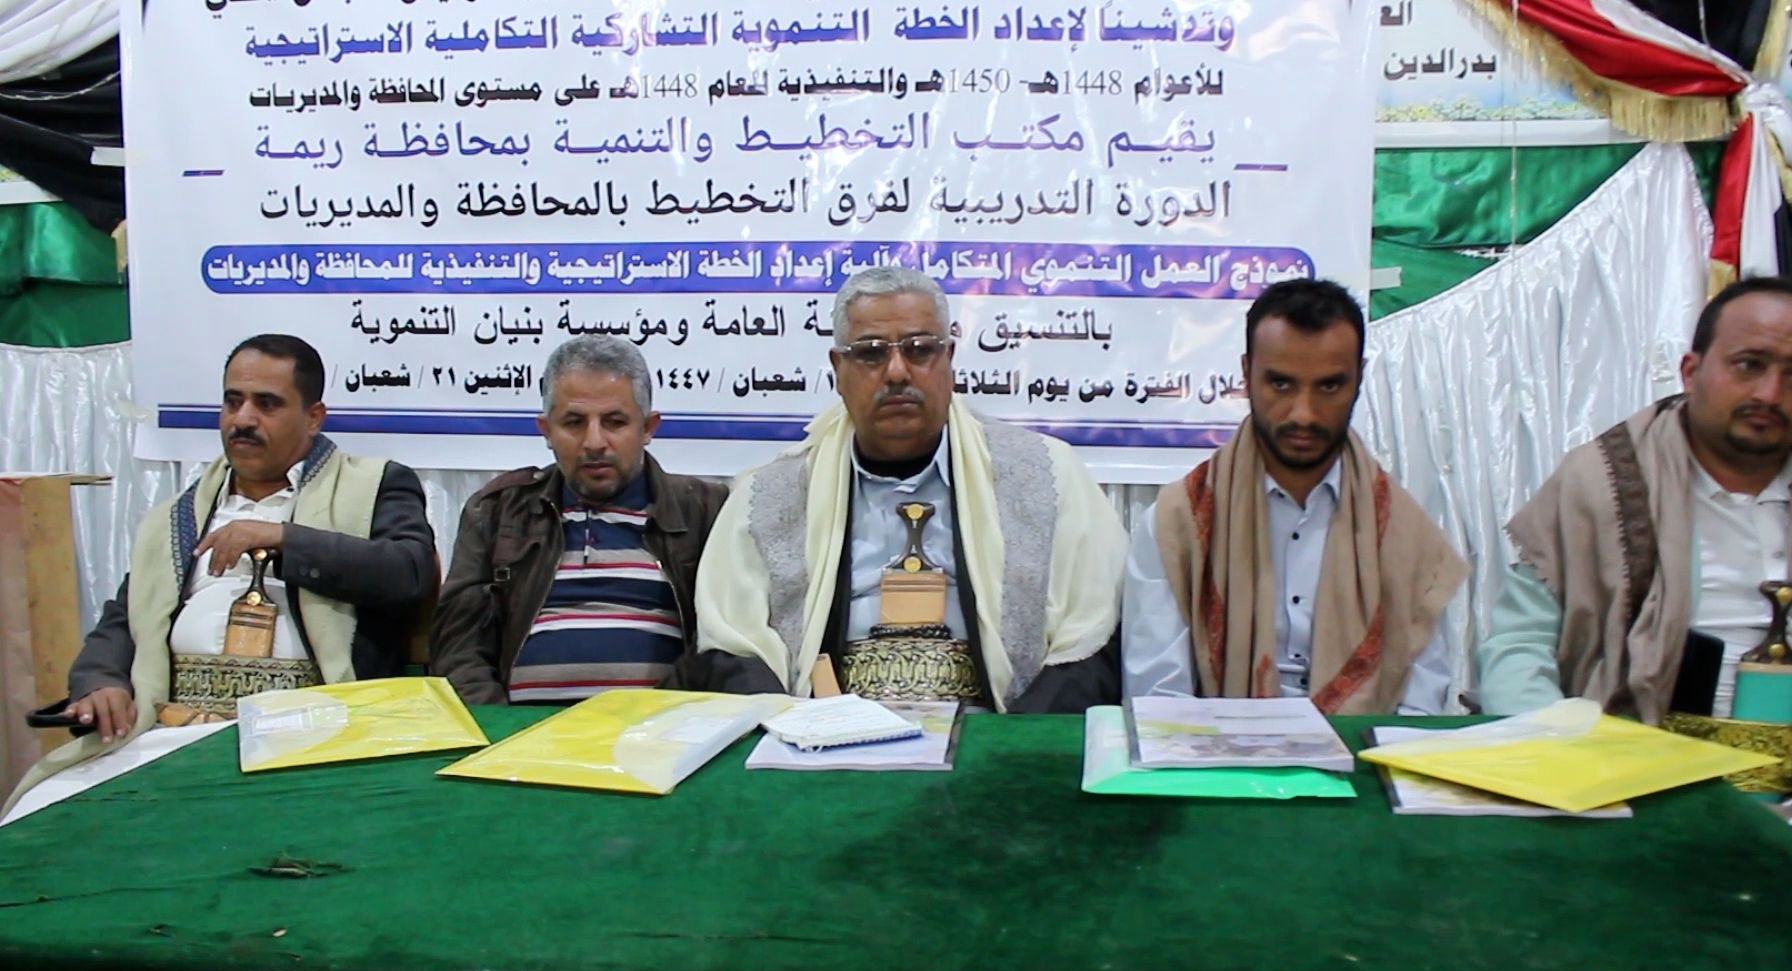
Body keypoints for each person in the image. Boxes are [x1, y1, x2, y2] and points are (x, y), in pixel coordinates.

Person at [1479, 277, 1792, 904]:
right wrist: (1565, 757)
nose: (1770, 393)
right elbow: (1517, 647)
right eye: (1750, 365)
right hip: (1634, 776)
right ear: (1692, 370)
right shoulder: (1599, 484)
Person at [7, 333, 435, 811]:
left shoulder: (374, 486)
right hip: (171, 732)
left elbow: (409, 573)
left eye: (267, 404)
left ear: (314, 417)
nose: (243, 419)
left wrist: (282, 538)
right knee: (43, 808)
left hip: (312, 730)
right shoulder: (179, 516)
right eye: (233, 402)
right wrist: (101, 682)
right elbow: (125, 619)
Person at [694, 266, 1127, 712]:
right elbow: (732, 645)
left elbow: (1090, 638)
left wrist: (1010, 742)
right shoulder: (769, 496)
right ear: (838, 369)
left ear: (949, 358)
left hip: (994, 730)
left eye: (920, 350)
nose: (897, 372)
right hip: (820, 737)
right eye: (870, 354)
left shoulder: (1045, 475)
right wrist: (792, 731)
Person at [1125, 279, 1465, 712]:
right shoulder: (1178, 525)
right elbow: (1160, 705)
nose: (1304, 413)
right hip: (1218, 751)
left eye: (1329, 387)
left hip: (1363, 748)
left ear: (1359, 379)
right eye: (1281, 385)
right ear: (1246, 373)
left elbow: (1418, 714)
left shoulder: (1407, 536)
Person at [432, 336, 728, 703]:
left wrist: (663, 719)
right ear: (546, 431)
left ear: (648, 427)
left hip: (657, 728)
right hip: (521, 733)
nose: (594, 442)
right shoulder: (498, 511)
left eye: (614, 422)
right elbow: (459, 648)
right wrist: (498, 726)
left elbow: (723, 644)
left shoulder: (706, 512)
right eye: (574, 422)